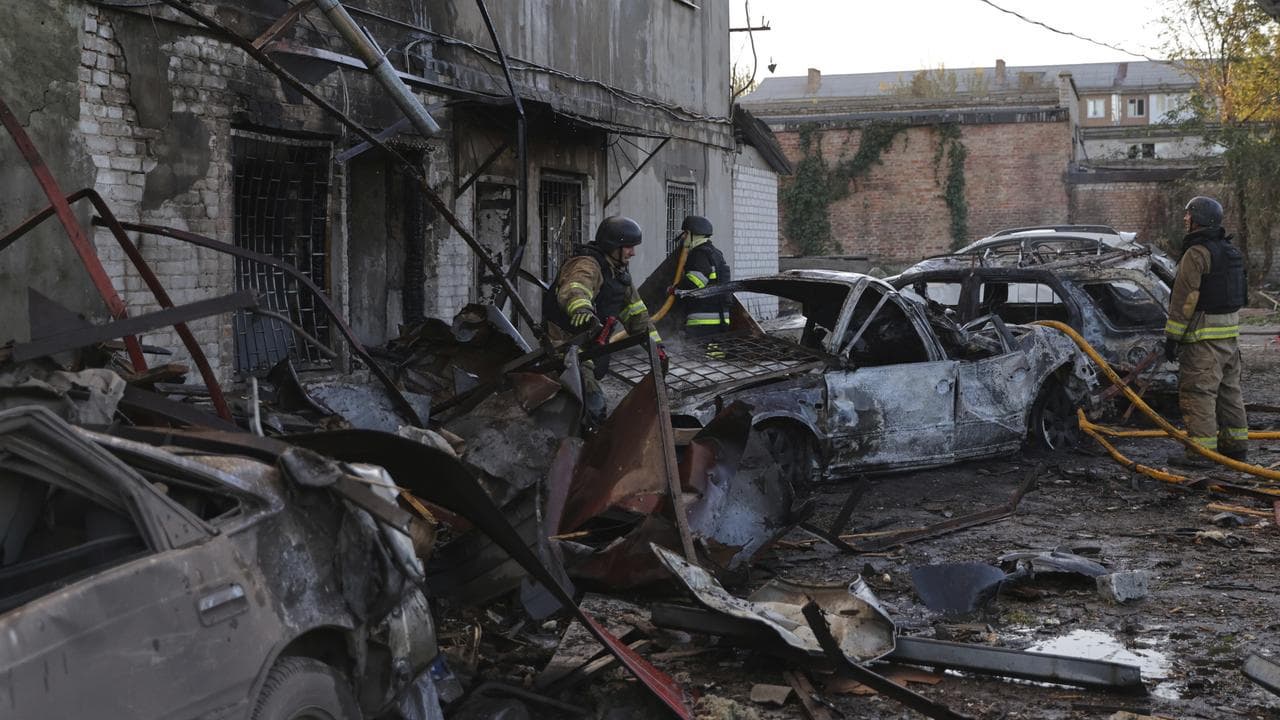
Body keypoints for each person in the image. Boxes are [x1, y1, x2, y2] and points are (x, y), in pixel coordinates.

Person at [542, 216, 665, 421]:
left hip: (593, 348)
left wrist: (657, 347)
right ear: (613, 245)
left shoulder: (618, 273)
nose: (632, 253)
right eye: (628, 247)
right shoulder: (587, 264)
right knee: (593, 407)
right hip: (568, 347)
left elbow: (637, 315)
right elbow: (575, 288)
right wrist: (581, 309)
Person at [1164, 195, 1249, 467]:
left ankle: (1200, 454)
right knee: (1229, 392)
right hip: (1229, 338)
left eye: (1189, 215)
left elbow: (1185, 299)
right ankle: (1235, 447)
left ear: (1199, 219)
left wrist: (1172, 337)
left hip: (1203, 341)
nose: (1185, 219)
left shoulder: (1197, 253)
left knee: (1199, 394)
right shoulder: (1229, 251)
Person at [672, 215, 732, 337]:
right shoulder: (716, 254)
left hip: (701, 322)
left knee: (696, 355)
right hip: (721, 320)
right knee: (714, 355)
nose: (683, 237)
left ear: (692, 234)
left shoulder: (698, 254)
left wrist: (676, 289)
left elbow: (696, 282)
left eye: (685, 233)